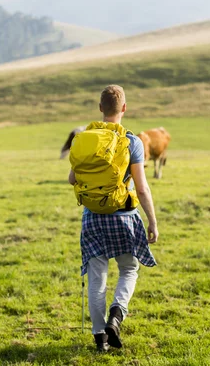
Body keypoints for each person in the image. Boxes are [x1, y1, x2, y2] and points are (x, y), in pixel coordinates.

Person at [68, 85, 159, 352]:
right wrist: (152, 220)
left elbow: (72, 178)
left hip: (93, 218)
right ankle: (116, 315)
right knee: (129, 268)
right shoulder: (133, 141)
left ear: (100, 109)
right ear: (124, 109)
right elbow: (141, 187)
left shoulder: (85, 138)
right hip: (124, 216)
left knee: (97, 277)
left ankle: (100, 338)